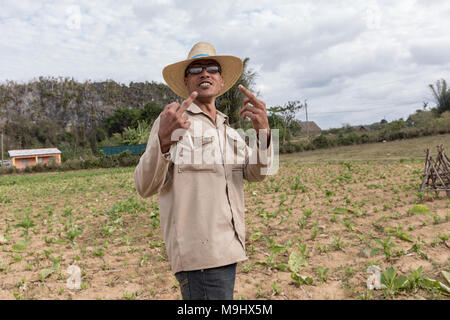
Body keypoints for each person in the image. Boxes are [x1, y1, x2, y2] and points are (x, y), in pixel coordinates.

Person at [134, 42, 273, 300]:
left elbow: (256, 174)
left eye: (212, 68)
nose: (204, 73)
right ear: (187, 81)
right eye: (196, 69)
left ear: (221, 81)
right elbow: (144, 186)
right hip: (200, 257)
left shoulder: (228, 131)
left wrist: (263, 132)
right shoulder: (174, 122)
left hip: (230, 248)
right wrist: (163, 142)